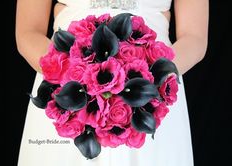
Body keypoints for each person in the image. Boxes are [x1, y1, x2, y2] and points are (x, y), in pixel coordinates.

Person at [15, 0, 208, 166]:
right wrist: (74, 77)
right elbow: (28, 32)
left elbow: (195, 38)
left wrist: (151, 80)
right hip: (66, 89)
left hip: (152, 94)